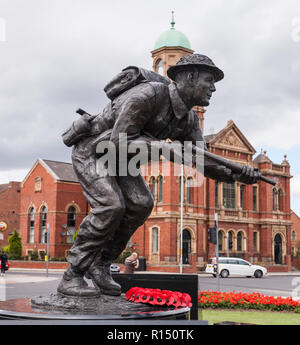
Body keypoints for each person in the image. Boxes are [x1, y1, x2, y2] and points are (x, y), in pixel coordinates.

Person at [57, 53, 260, 297]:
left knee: (142, 203)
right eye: (209, 80)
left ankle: (100, 265)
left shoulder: (189, 120)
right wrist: (166, 149)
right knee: (111, 205)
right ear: (191, 77)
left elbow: (203, 161)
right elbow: (118, 142)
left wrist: (238, 175)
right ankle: (72, 274)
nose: (213, 88)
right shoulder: (149, 95)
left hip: (123, 160)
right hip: (95, 151)